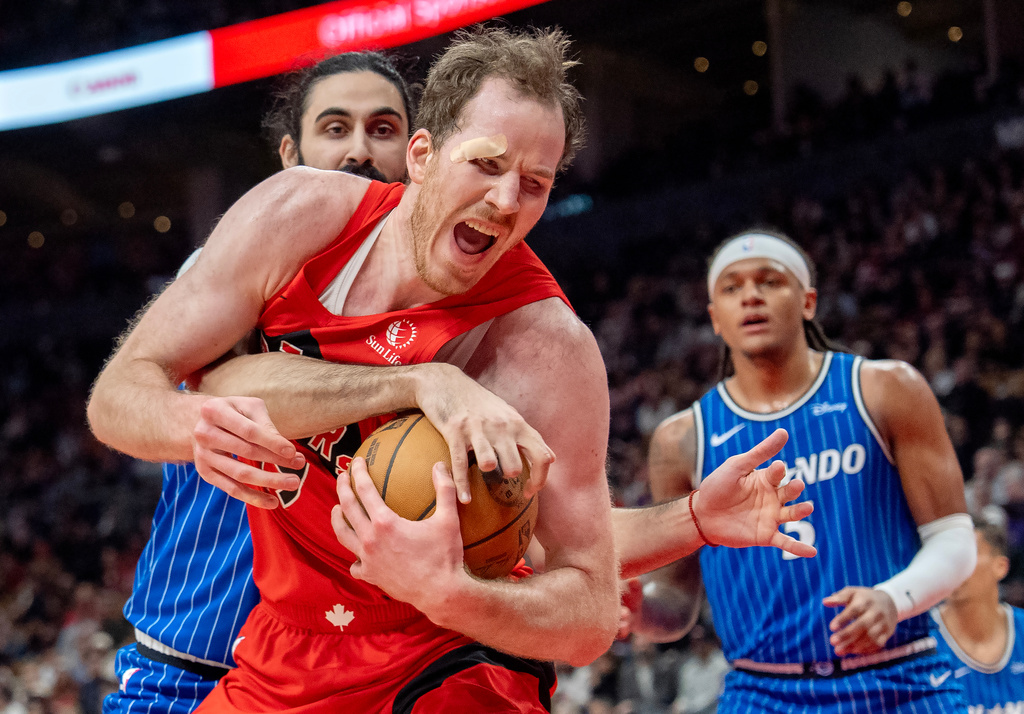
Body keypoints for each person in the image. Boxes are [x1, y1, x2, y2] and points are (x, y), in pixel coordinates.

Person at [88, 26, 817, 710]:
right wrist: (197, 423)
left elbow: (590, 608)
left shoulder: (548, 348)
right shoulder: (299, 218)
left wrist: (450, 593)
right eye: (488, 164)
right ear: (423, 154)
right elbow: (123, 395)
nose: (505, 201)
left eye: (535, 184)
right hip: (288, 641)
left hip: (451, 649)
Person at [101, 51, 416, 714]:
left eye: (382, 129)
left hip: (357, 671)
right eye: (335, 129)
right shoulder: (238, 261)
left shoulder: (441, 301)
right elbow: (118, 402)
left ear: (416, 153)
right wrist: (196, 422)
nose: (359, 150)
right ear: (288, 155)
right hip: (197, 661)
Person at [645, 230, 978, 712]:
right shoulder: (679, 440)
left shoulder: (885, 390)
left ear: (808, 301)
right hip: (762, 692)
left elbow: (954, 540)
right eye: (732, 287)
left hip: (904, 679)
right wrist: (639, 612)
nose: (751, 295)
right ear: (715, 318)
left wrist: (894, 598)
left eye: (769, 281)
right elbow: (676, 601)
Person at [931, 518, 1024, 714]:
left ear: (1000, 567)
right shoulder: (922, 639)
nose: (954, 566)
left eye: (966, 556)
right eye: (946, 557)